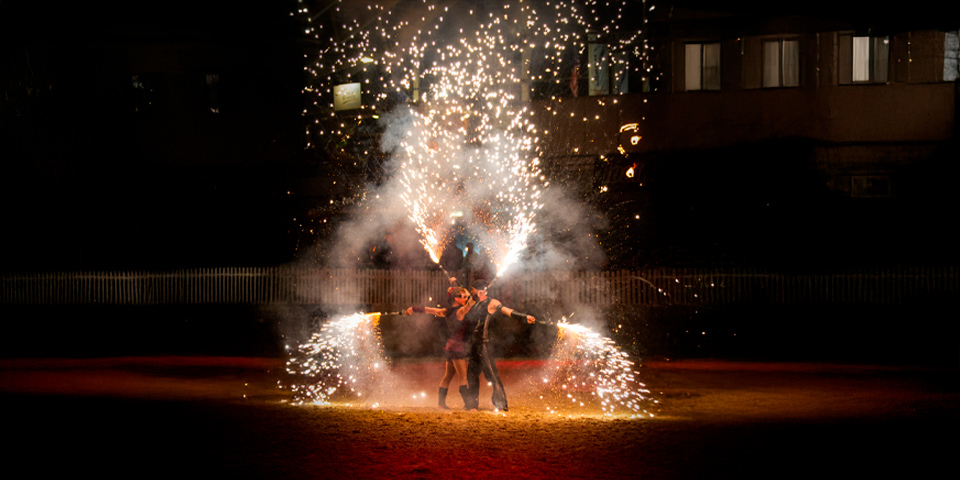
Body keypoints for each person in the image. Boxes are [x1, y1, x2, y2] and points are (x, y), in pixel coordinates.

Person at [463, 279, 536, 412]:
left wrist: (524, 317)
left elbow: (506, 311)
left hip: (483, 345)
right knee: (471, 375)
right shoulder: (473, 302)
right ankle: (472, 406)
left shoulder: (492, 303)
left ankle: (501, 404)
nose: (471, 292)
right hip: (473, 345)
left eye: (472, 290)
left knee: (492, 375)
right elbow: (463, 312)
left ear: (479, 291)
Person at [404, 286, 475, 409]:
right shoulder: (460, 311)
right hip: (458, 347)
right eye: (461, 297)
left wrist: (413, 308)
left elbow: (429, 310)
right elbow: (469, 305)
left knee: (448, 376)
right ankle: (469, 405)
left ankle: (441, 404)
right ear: (455, 298)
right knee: (463, 376)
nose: (464, 299)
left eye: (465, 297)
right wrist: (477, 295)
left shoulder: (446, 311)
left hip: (451, 345)